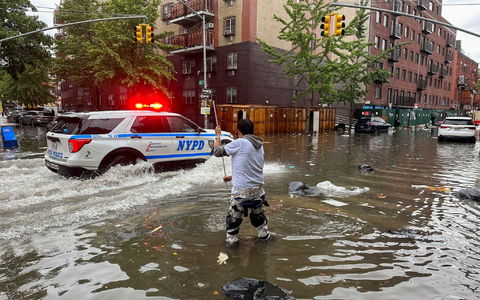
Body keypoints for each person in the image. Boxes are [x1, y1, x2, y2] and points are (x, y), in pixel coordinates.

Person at [213, 119, 271, 245]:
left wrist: (217, 135)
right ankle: (264, 239)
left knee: (233, 220)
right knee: (259, 218)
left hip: (242, 193)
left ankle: (232, 246)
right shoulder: (259, 145)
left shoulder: (240, 142)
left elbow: (217, 152)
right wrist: (232, 177)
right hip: (258, 192)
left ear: (239, 132)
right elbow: (252, 168)